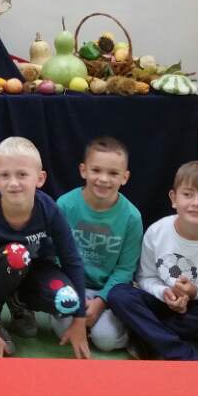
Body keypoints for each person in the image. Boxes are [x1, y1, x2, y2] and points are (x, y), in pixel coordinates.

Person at [107, 161, 198, 360]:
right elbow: (145, 278)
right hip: (161, 304)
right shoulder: (157, 231)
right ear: (174, 199)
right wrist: (164, 292)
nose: (196, 203)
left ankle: (152, 339)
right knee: (119, 294)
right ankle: (184, 352)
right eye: (188, 194)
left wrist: (195, 292)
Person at [0, 137, 90, 359]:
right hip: (1, 272)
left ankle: (19, 303)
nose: (13, 183)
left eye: (22, 174)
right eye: (5, 175)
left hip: (36, 271)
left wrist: (79, 320)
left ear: (40, 178)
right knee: (17, 255)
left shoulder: (49, 209)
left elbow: (71, 260)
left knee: (68, 299)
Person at [54, 137, 143, 352]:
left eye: (113, 173)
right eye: (96, 170)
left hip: (108, 291)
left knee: (106, 340)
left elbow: (125, 269)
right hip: (72, 287)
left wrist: (101, 301)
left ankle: (124, 328)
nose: (103, 179)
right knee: (63, 328)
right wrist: (74, 296)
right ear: (83, 170)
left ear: (125, 177)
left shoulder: (132, 217)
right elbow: (55, 257)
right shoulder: (64, 205)